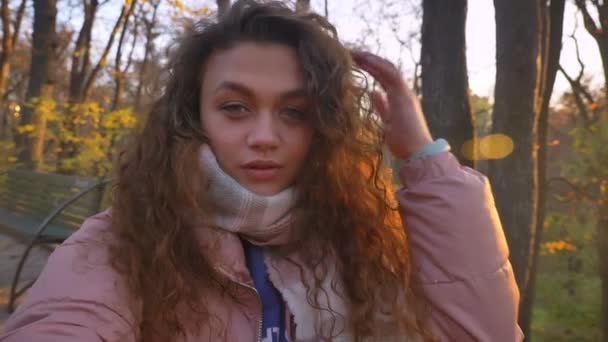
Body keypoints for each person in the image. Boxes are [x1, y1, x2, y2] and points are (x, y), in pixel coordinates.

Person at [1, 1, 523, 341]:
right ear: (193, 115)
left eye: (294, 112)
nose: (265, 136)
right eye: (235, 107)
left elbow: (484, 333)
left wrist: (423, 157)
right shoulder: (127, 238)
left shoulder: (365, 235)